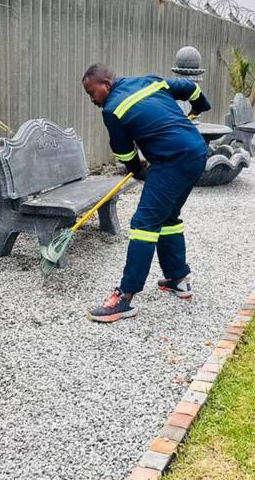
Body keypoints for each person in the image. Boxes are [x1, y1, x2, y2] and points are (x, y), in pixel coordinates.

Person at [82, 64, 211, 323]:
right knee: (168, 216)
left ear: (106, 84)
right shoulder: (150, 81)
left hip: (172, 162)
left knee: (144, 224)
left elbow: (124, 152)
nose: (92, 99)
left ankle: (125, 298)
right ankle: (177, 278)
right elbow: (191, 89)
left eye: (91, 92)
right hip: (197, 153)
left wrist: (137, 169)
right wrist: (199, 107)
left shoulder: (112, 109)